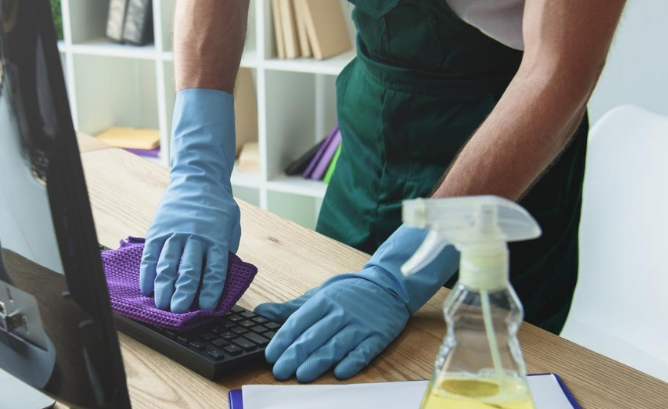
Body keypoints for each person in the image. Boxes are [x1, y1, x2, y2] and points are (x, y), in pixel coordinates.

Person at [140, 0, 626, 382]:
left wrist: (408, 267)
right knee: (315, 369)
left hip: (505, 164)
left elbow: (559, 71)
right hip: (371, 139)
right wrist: (198, 166)